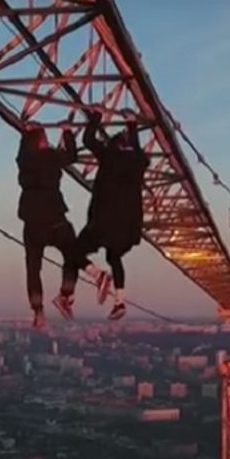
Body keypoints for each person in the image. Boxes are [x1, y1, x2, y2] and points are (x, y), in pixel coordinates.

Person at [76, 108, 150, 320]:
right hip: (127, 227)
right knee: (114, 257)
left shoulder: (109, 156)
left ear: (114, 145)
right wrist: (132, 125)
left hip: (103, 222)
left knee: (73, 251)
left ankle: (97, 275)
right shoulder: (138, 162)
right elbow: (136, 150)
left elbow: (89, 139)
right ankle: (119, 301)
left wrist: (96, 118)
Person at [15, 121, 88, 329]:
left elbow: (22, 152)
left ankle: (38, 310)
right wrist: (67, 132)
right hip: (53, 216)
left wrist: (26, 134)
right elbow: (71, 156)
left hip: (31, 220)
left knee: (32, 267)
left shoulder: (25, 160)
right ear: (41, 141)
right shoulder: (51, 157)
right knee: (72, 252)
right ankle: (65, 295)